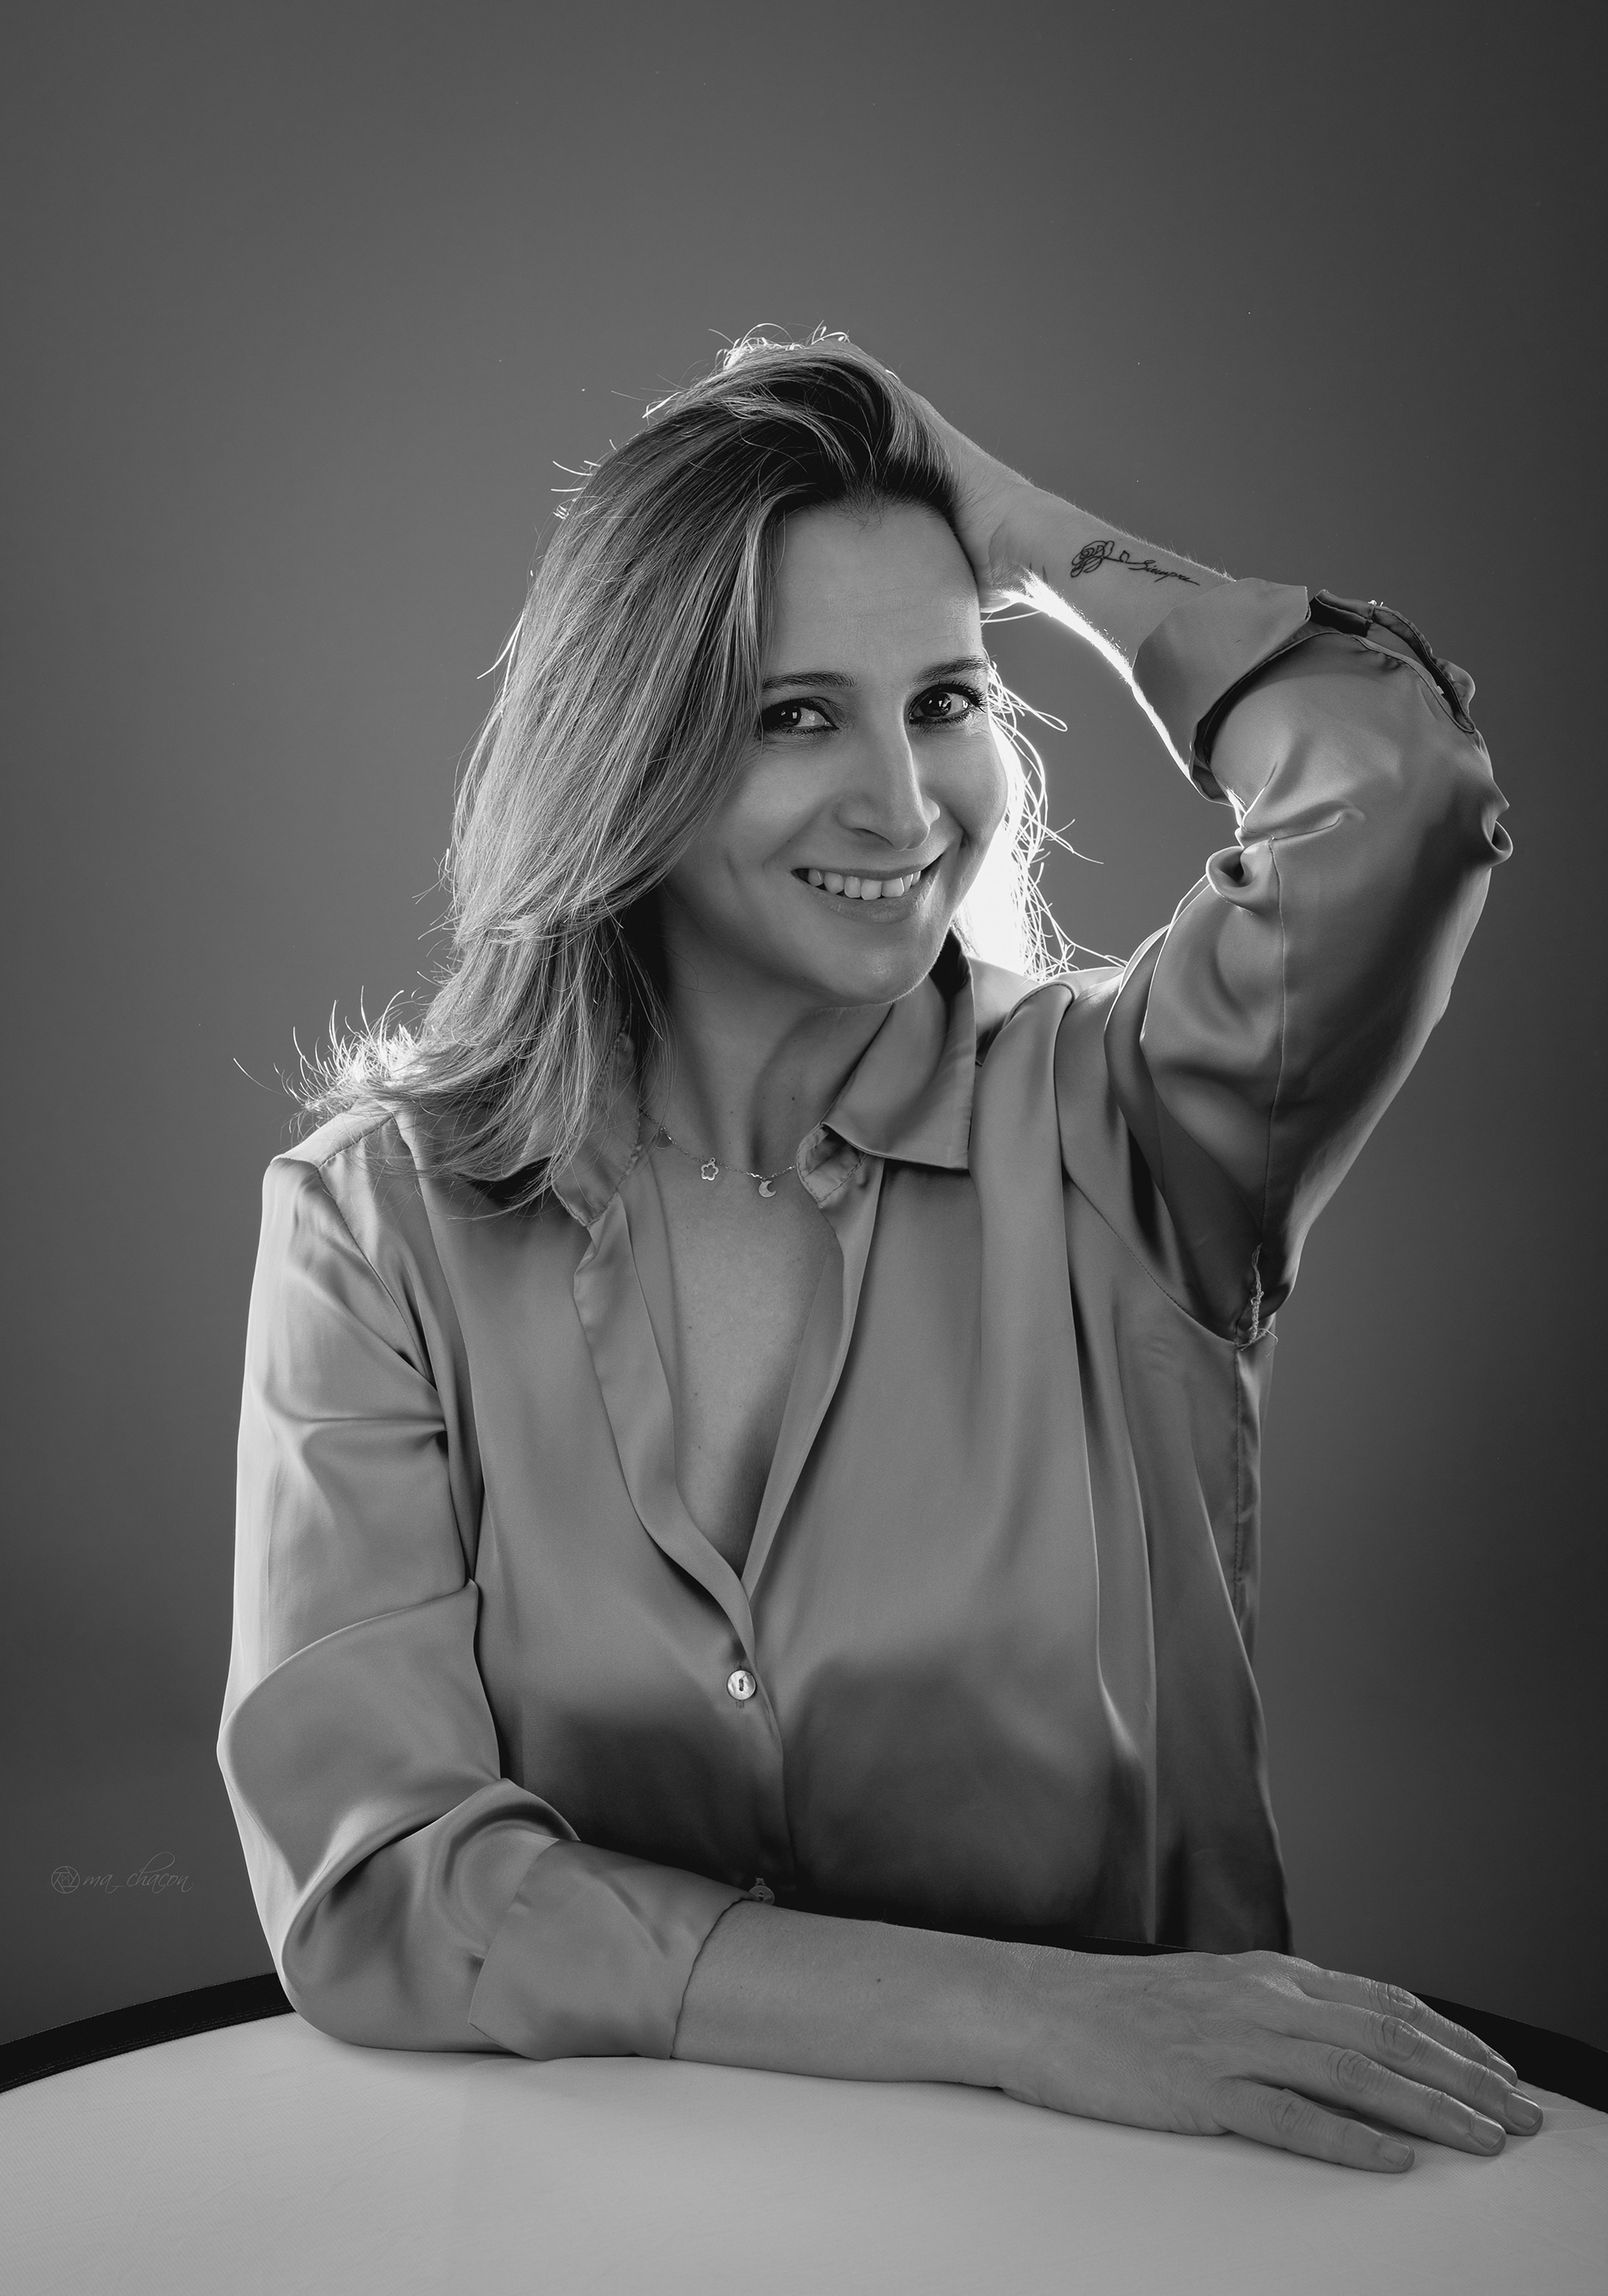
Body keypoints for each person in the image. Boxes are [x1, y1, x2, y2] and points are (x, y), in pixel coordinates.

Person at [219, 330, 1526, 2175]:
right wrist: (1025, 2015)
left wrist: (1029, 531)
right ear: (629, 752)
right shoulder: (379, 1222)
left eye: (947, 700)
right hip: (590, 2224)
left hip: (1127, 2225)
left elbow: (1402, 793)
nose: (905, 810)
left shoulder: (1135, 1124)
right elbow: (386, 1877)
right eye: (795, 716)